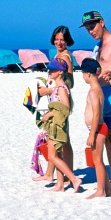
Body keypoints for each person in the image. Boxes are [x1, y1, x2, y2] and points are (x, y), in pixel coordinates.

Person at [79, 10, 111, 194]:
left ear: (101, 22)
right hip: (104, 92)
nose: (90, 31)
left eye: (92, 26)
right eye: (87, 29)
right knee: (107, 138)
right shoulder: (99, 46)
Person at [29, 58, 82, 194]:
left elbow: (65, 107)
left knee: (52, 156)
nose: (49, 71)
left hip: (58, 126)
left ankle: (74, 179)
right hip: (55, 125)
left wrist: (50, 114)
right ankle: (60, 184)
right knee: (57, 154)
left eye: (52, 69)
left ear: (60, 71)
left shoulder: (61, 88)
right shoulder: (58, 87)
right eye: (49, 69)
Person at [79, 57, 111, 199]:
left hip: (97, 129)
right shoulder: (97, 88)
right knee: (98, 160)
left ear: (89, 74)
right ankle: (106, 188)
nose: (83, 76)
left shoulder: (93, 92)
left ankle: (101, 191)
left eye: (83, 73)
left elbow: (97, 112)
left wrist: (92, 134)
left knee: (97, 160)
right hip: (98, 128)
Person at [49, 25, 76, 181]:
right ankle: (58, 174)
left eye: (62, 40)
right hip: (58, 97)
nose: (59, 42)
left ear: (67, 41)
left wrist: (50, 89)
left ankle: (66, 175)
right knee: (63, 139)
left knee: (60, 139)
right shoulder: (59, 54)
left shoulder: (64, 56)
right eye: (57, 39)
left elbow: (70, 82)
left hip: (61, 100)